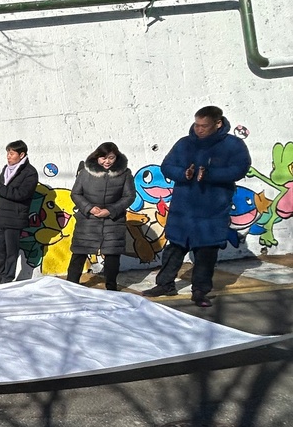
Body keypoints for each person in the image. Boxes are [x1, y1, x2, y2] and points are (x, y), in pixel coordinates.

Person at [143, 106, 251, 306]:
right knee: (174, 248)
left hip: (211, 210)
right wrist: (184, 174)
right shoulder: (185, 144)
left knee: (205, 253)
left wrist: (210, 175)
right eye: (197, 125)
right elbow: (167, 166)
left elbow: (240, 168)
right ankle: (165, 284)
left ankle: (200, 291)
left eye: (205, 126)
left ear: (218, 124)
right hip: (183, 208)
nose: (199, 129)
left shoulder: (232, 145)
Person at [66, 143, 137, 291]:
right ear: (97, 157)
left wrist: (111, 210)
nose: (107, 161)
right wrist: (89, 208)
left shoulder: (125, 173)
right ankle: (70, 285)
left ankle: (111, 287)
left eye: (111, 158)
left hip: (113, 221)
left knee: (112, 255)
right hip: (88, 220)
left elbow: (129, 196)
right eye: (103, 158)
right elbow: (76, 193)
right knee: (79, 252)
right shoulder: (85, 173)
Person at [0, 140, 39, 285]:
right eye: (7, 153)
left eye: (12, 153)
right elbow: (3, 192)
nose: (8, 156)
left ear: (21, 155)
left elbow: (21, 194)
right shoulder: (6, 169)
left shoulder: (30, 172)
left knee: (11, 251)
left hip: (15, 217)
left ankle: (7, 278)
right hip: (1, 215)